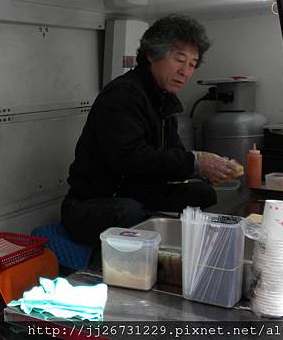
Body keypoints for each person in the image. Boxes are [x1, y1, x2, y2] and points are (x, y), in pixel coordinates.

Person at [61, 14, 238, 247]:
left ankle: (193, 252)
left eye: (192, 64)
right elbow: (129, 158)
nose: (185, 71)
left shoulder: (163, 100)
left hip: (135, 192)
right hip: (93, 204)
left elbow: (173, 157)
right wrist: (196, 162)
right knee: (131, 213)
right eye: (179, 59)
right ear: (152, 54)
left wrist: (205, 170)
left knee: (203, 194)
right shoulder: (122, 95)